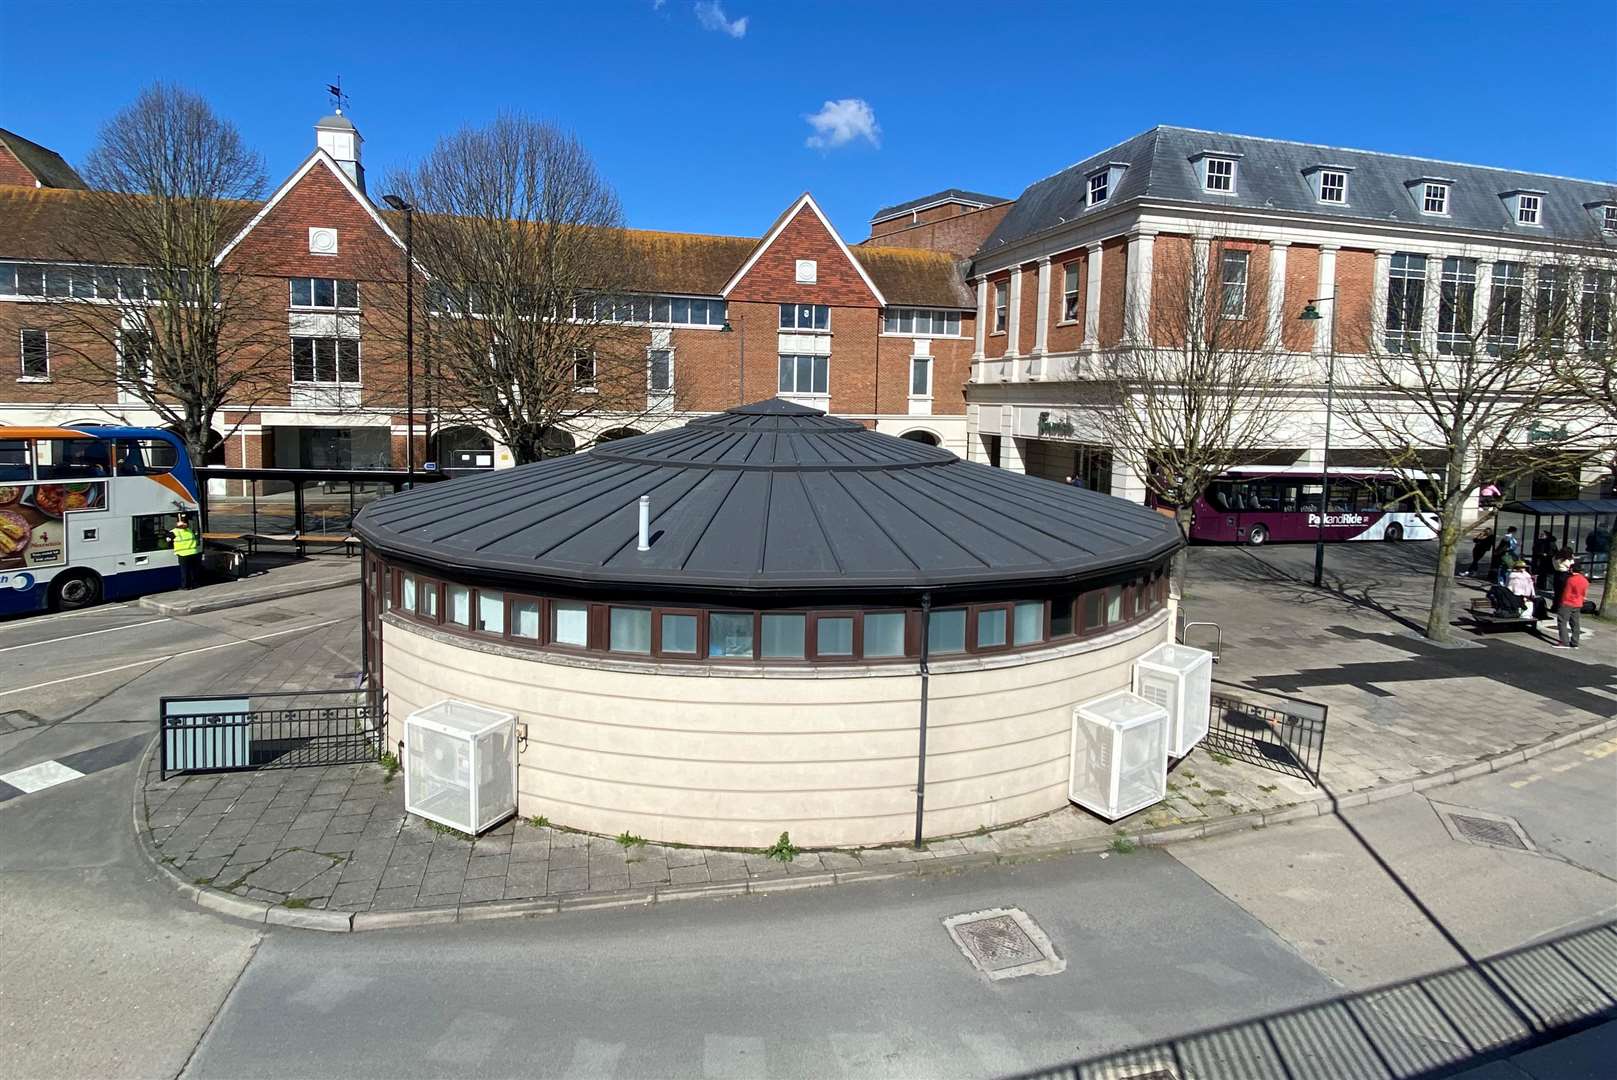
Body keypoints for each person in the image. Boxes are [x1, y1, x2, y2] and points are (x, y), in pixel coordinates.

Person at [1552, 561, 1589, 650]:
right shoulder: (1585, 580)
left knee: (1562, 622)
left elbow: (1566, 593)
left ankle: (1564, 642)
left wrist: (1561, 602)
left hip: (1567, 603)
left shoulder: (1570, 580)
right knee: (1575, 623)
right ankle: (1575, 642)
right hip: (1578, 603)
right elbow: (1584, 593)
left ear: (1572, 569)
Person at [169, 515, 201, 590]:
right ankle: (194, 584)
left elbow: (168, 540)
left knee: (184, 571)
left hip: (183, 554)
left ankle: (185, 586)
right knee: (192, 570)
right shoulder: (189, 530)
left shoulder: (174, 532)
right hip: (193, 553)